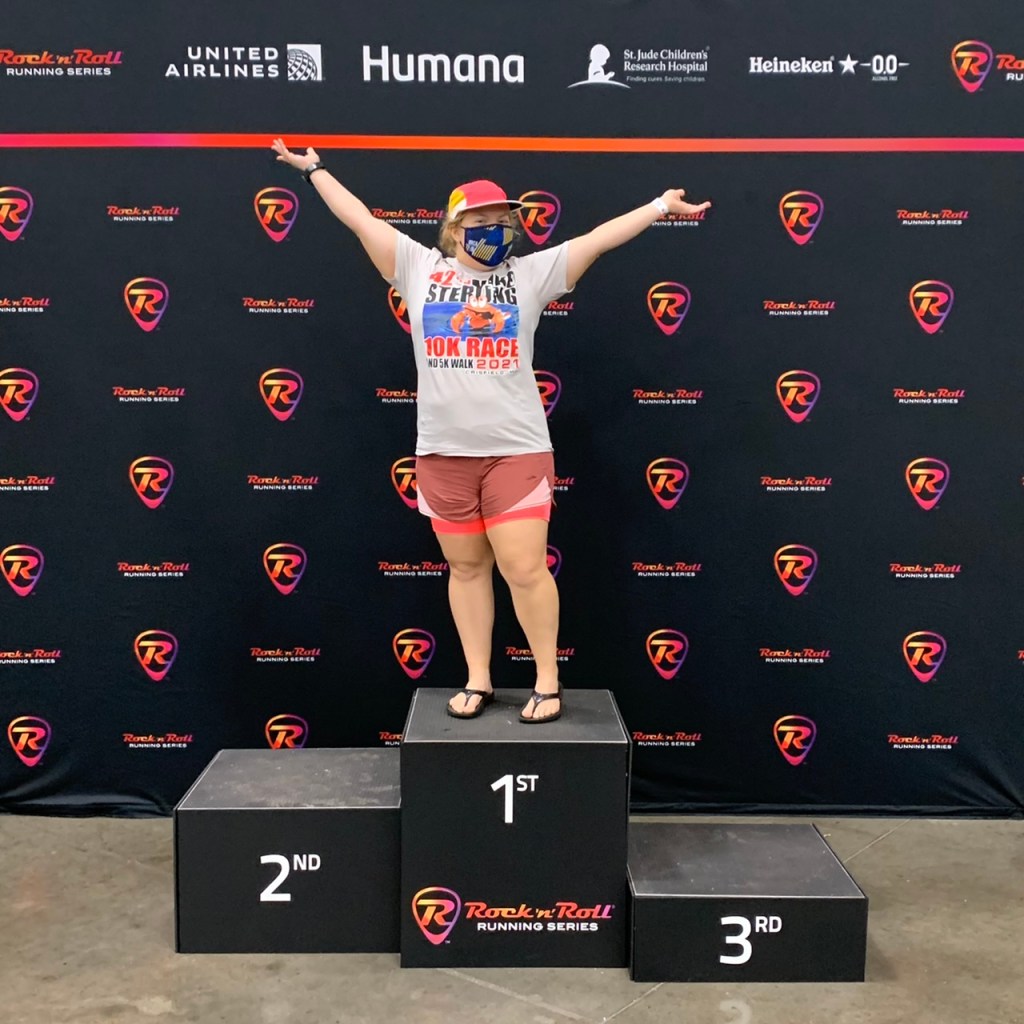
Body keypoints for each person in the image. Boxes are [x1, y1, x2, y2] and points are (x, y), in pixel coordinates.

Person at [271, 138, 711, 723]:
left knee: (525, 569)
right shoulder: (417, 267)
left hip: (517, 452)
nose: (494, 228)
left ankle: (548, 681)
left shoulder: (531, 275)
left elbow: (598, 239)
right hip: (442, 454)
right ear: (454, 227)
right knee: (467, 569)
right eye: (481, 220)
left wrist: (660, 205)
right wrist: (315, 171)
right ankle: (479, 678)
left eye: (503, 219)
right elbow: (358, 218)